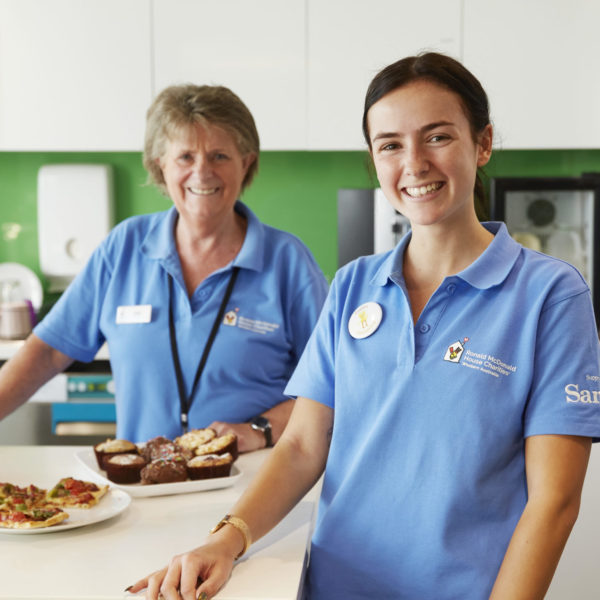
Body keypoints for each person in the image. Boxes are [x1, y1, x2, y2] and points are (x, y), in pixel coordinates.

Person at [129, 53, 600, 600]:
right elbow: (304, 445)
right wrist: (227, 539)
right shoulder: (353, 284)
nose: (415, 164)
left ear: (483, 142)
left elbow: (555, 502)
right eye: (391, 145)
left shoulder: (550, 294)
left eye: (438, 137)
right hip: (331, 587)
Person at [0, 84, 328, 451]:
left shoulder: (288, 262)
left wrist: (259, 429)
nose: (202, 172)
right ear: (161, 165)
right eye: (185, 157)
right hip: (142, 486)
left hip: (252, 488)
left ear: (246, 163)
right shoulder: (123, 247)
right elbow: (47, 352)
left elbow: (330, 387)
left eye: (219, 155)